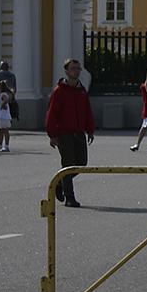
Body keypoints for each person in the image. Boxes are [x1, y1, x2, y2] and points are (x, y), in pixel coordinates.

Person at [46, 59, 95, 207]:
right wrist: (52, 135)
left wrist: (90, 130)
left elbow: (87, 111)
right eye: (73, 68)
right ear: (67, 71)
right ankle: (70, 197)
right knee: (68, 164)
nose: (76, 71)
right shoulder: (59, 91)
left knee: (81, 163)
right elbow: (51, 114)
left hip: (79, 132)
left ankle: (60, 183)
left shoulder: (81, 90)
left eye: (78, 68)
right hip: (64, 133)